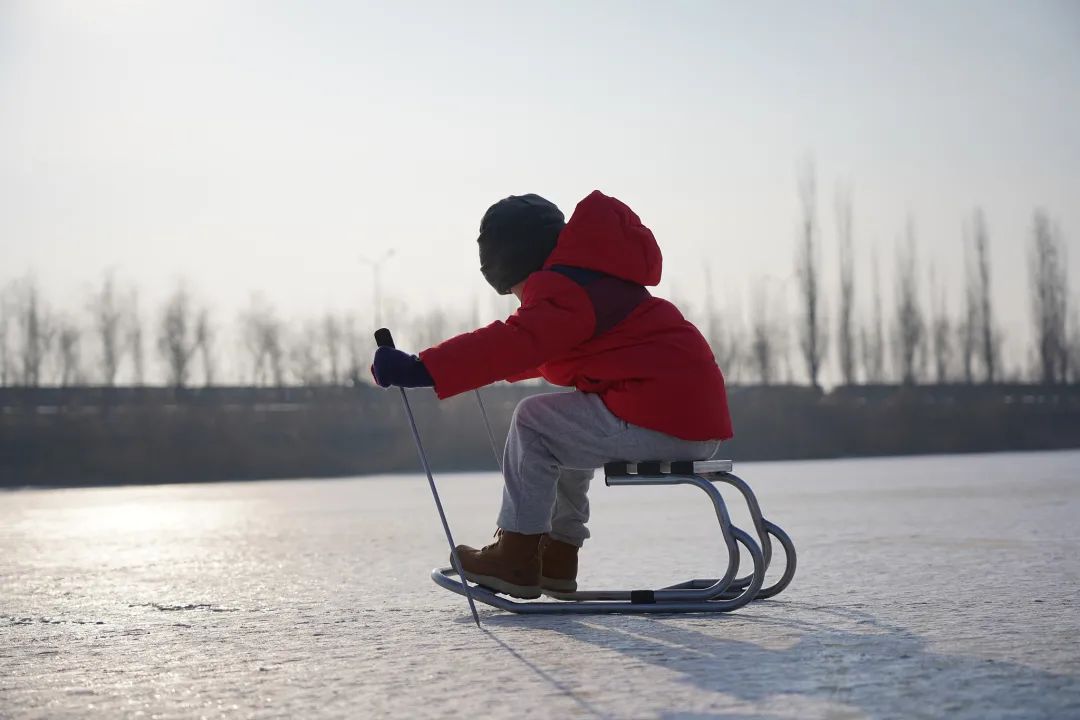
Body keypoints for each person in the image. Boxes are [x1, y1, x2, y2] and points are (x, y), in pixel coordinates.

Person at [371, 190, 732, 599]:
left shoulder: (566, 289)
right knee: (565, 426)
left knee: (535, 422)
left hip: (661, 417)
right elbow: (532, 350)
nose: (521, 302)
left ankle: (517, 557)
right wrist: (455, 368)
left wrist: (422, 368)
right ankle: (557, 556)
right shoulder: (597, 284)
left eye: (516, 292)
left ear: (519, 265)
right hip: (685, 421)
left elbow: (516, 342)